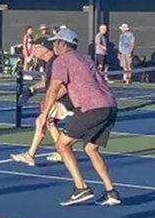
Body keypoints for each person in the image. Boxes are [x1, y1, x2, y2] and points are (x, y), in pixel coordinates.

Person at [41, 28, 120, 206]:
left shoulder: (61, 60)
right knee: (91, 149)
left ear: (63, 44)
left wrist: (44, 116)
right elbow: (68, 88)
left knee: (62, 145)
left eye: (55, 42)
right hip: (110, 107)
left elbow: (54, 89)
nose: (53, 45)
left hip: (92, 108)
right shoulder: (85, 58)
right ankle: (111, 191)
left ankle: (80, 188)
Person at [10, 37, 66, 167]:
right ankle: (62, 151)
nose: (33, 50)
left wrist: (49, 101)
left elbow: (62, 86)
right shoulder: (49, 63)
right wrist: (32, 89)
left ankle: (30, 155)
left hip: (68, 99)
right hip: (61, 98)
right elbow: (47, 82)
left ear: (44, 49)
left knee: (41, 121)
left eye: (36, 47)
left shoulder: (55, 63)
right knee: (48, 122)